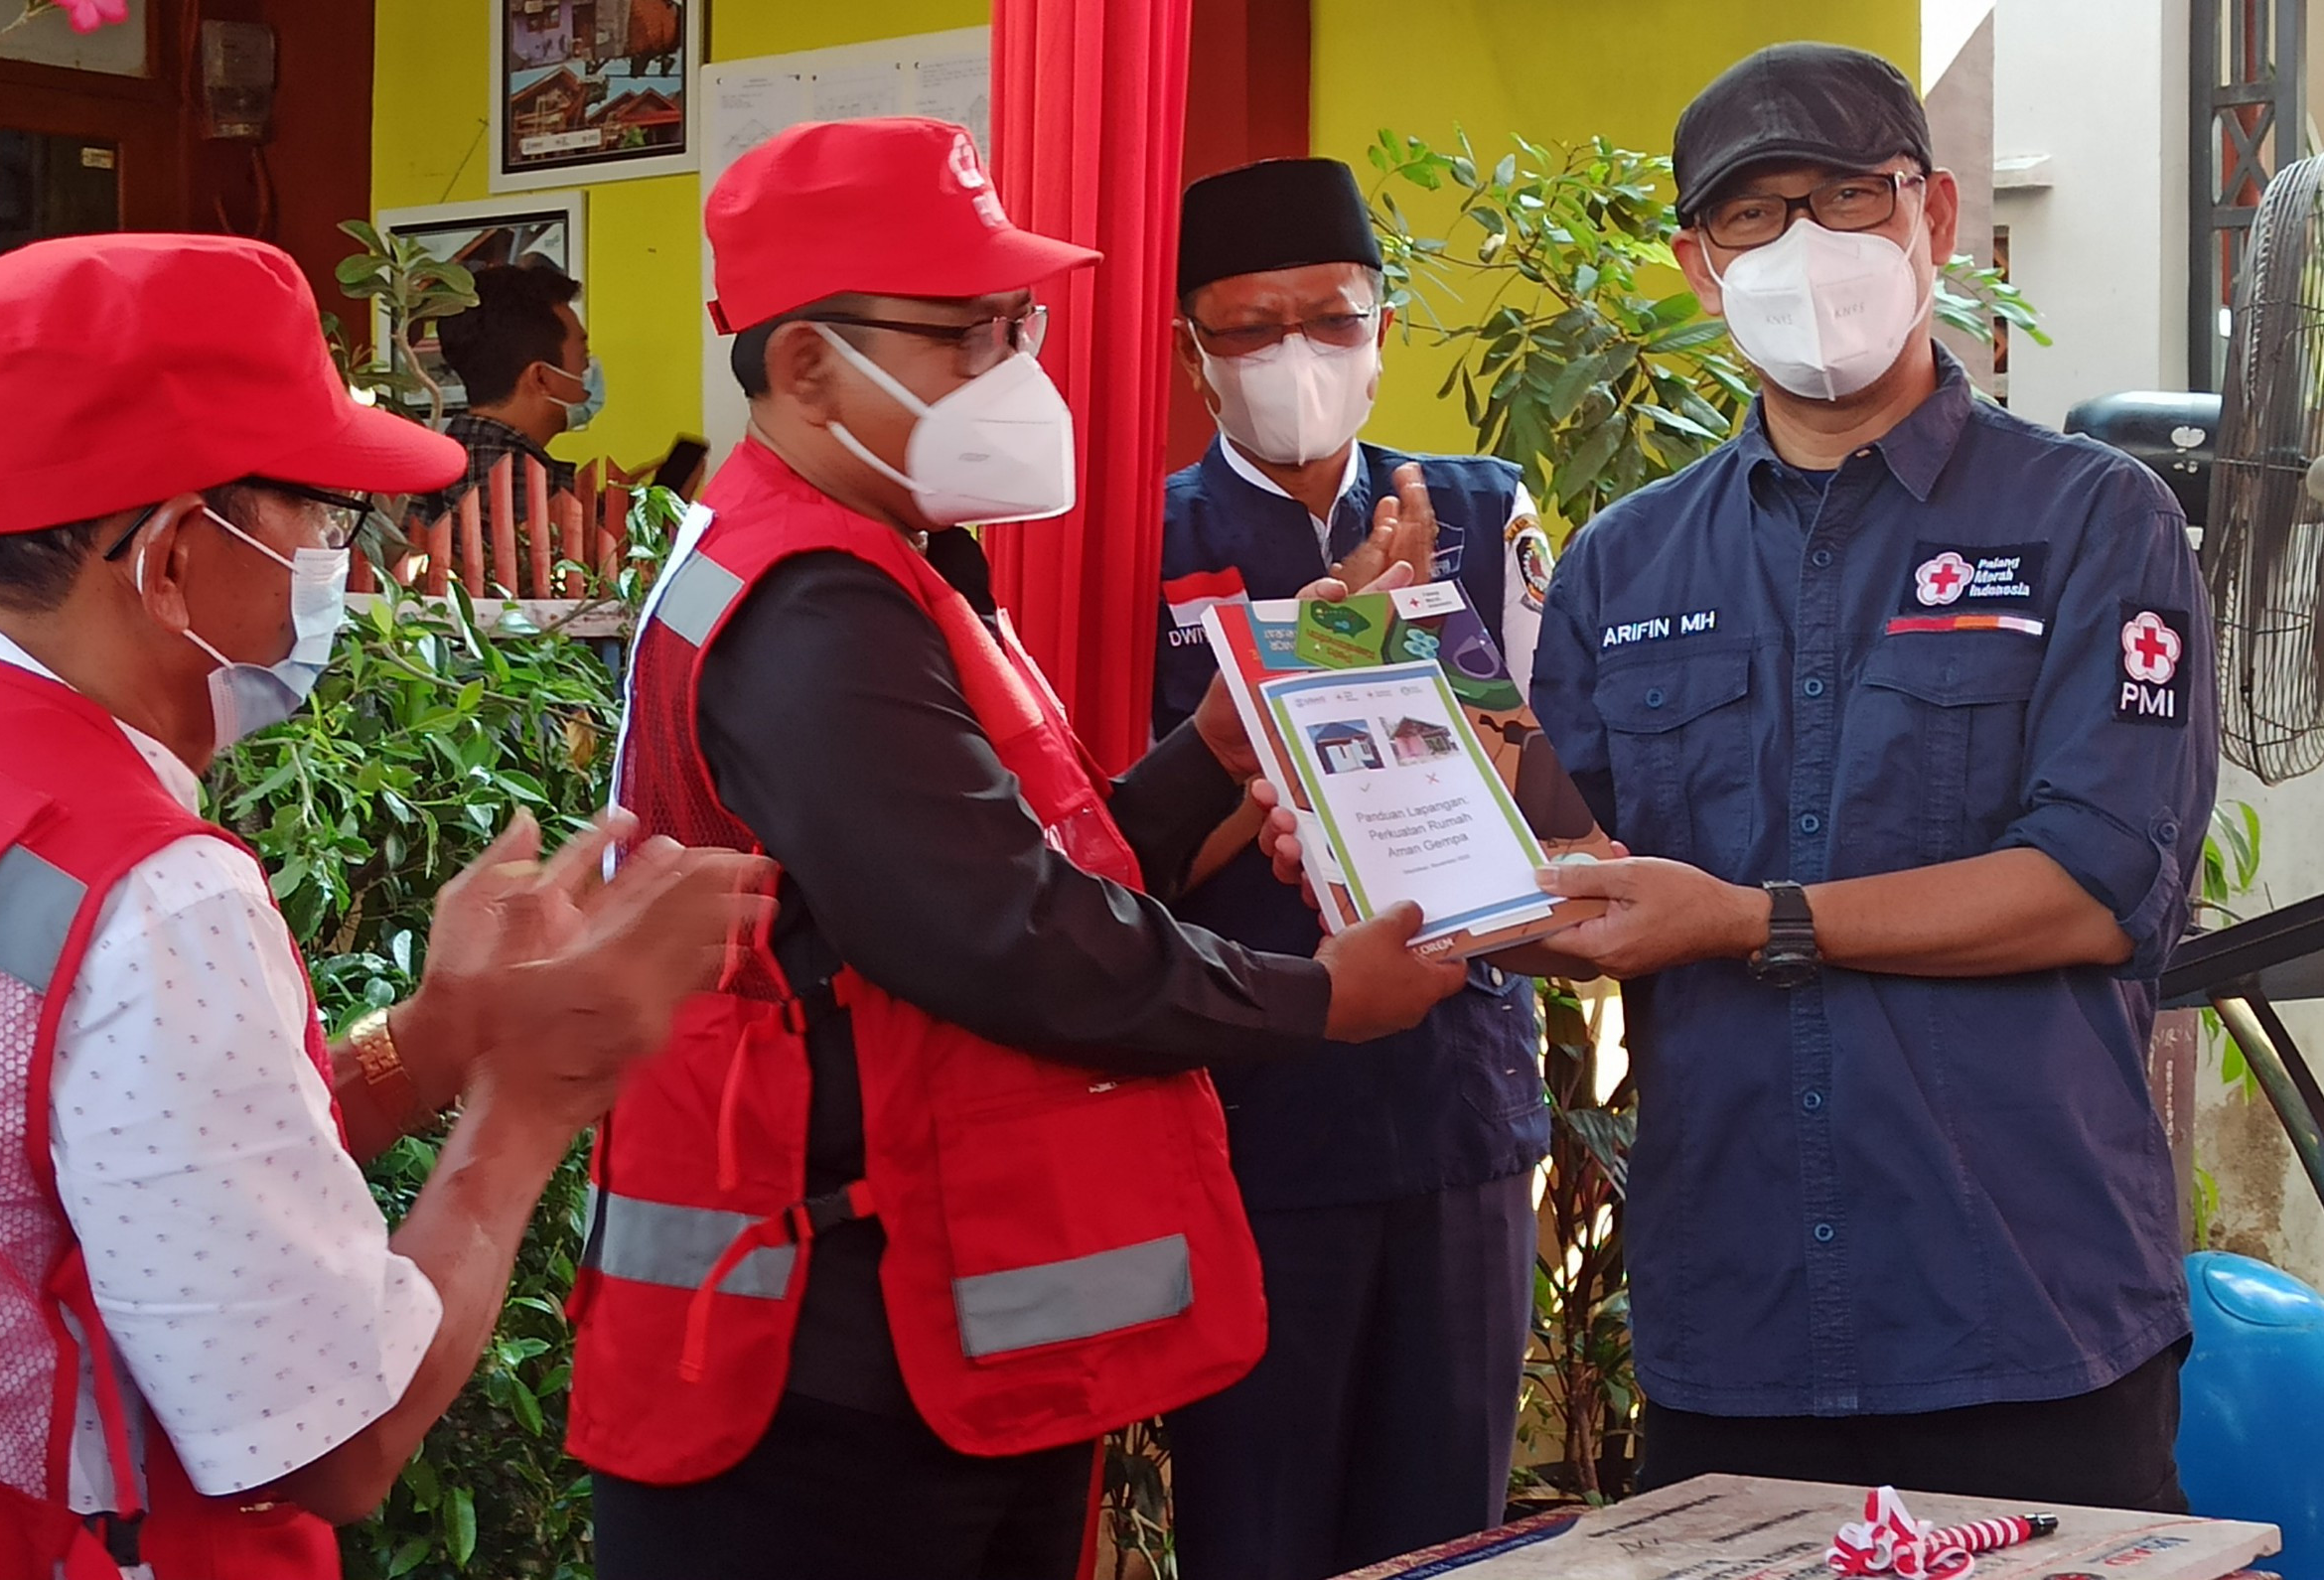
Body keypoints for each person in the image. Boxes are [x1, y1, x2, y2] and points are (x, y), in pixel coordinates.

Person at [0, 233, 767, 1578]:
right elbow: (331, 1437)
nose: (340, 559)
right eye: (322, 518)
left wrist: (443, 1030)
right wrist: (532, 1094)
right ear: (169, 558)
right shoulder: (151, 892)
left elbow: (122, 1169)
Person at [566, 117, 1489, 1580]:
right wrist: (1317, 997)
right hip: (819, 1370)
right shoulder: (811, 603)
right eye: (968, 332)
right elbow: (1001, 933)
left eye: (1021, 323)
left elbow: (1039, 862)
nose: (1015, 368)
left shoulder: (895, 553)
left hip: (927, 1319)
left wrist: (1215, 753)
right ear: (804, 365)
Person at [1523, 44, 2218, 1508]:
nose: (1804, 252)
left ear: (1934, 216)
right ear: (1695, 266)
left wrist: (1744, 919)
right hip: (1735, 1328)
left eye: (1846, 199)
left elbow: (2092, 884)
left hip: (2024, 1317)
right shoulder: (1621, 562)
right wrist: (1368, 758)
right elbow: (1561, 873)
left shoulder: (2094, 521)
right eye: (1752, 218)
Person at [1152, 156, 1547, 1580]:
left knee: (1450, 1528)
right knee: (1257, 1524)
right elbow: (1113, 843)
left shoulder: (1482, 509)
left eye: (1325, 317)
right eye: (1247, 330)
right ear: (1192, 354)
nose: (1292, 358)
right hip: (1256, 1116)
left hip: (1456, 1107)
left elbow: (1547, 783)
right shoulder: (1148, 543)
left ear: (1382, 325)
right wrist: (1296, 714)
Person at [413, 259, 602, 546]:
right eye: (583, 356)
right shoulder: (526, 485)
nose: (588, 371)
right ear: (541, 378)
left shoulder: (426, 474)